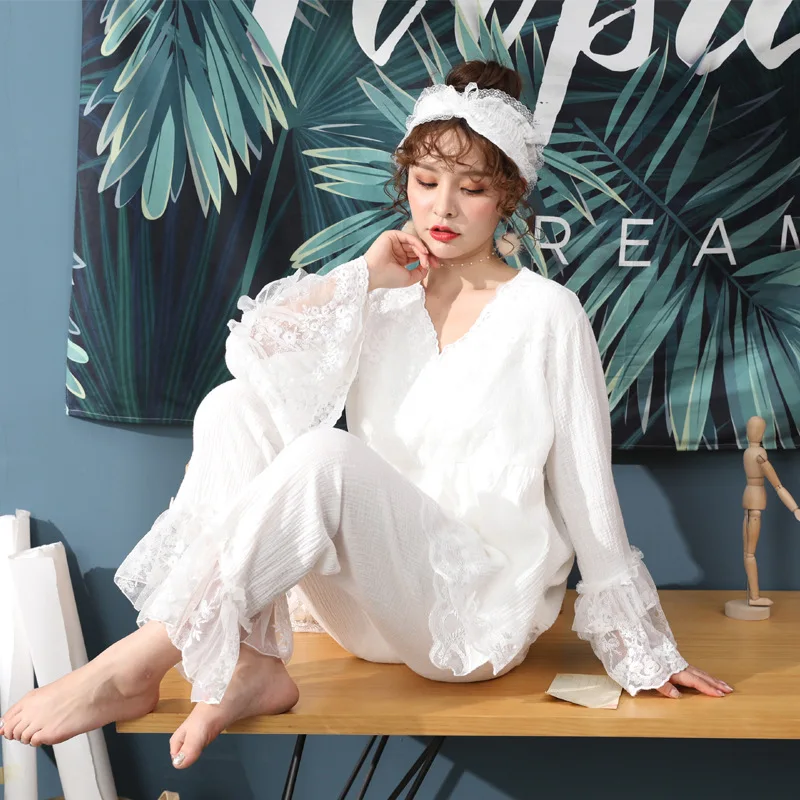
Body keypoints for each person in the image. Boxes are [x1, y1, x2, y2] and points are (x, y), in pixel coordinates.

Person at [0, 60, 732, 769]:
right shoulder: (380, 298)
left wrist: (644, 651)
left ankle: (137, 662)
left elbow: (585, 489)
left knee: (328, 457)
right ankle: (252, 663)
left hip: (471, 620)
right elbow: (253, 354)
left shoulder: (548, 314)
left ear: (507, 196)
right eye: (426, 182)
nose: (443, 208)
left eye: (472, 189)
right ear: (405, 181)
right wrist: (362, 277)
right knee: (231, 407)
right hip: (367, 612)